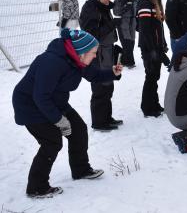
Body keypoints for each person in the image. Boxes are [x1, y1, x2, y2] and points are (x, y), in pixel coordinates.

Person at [12, 29, 122, 198]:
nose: (94, 56)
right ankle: (36, 187)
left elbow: (93, 75)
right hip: (30, 105)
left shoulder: (76, 60)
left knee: (78, 129)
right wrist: (58, 120)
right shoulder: (52, 62)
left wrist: (112, 72)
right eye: (93, 53)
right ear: (82, 52)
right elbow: (40, 96)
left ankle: (81, 170)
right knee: (52, 142)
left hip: (54, 101)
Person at [80, 0, 123, 131]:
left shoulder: (104, 7)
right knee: (100, 88)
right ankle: (99, 122)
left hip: (107, 51)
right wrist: (113, 24)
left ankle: (106, 117)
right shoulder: (90, 9)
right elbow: (92, 35)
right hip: (96, 54)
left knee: (109, 85)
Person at [137, 0, 170, 117]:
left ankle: (154, 103)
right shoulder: (145, 4)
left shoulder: (154, 3)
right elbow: (145, 31)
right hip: (149, 48)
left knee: (154, 76)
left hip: (155, 47)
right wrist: (152, 50)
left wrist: (162, 45)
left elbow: (158, 29)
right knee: (150, 76)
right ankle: (147, 107)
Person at [113, 0, 137, 68]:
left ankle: (123, 59)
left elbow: (136, 10)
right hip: (123, 23)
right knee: (127, 43)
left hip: (132, 23)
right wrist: (125, 7)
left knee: (132, 43)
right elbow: (115, 12)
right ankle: (130, 63)